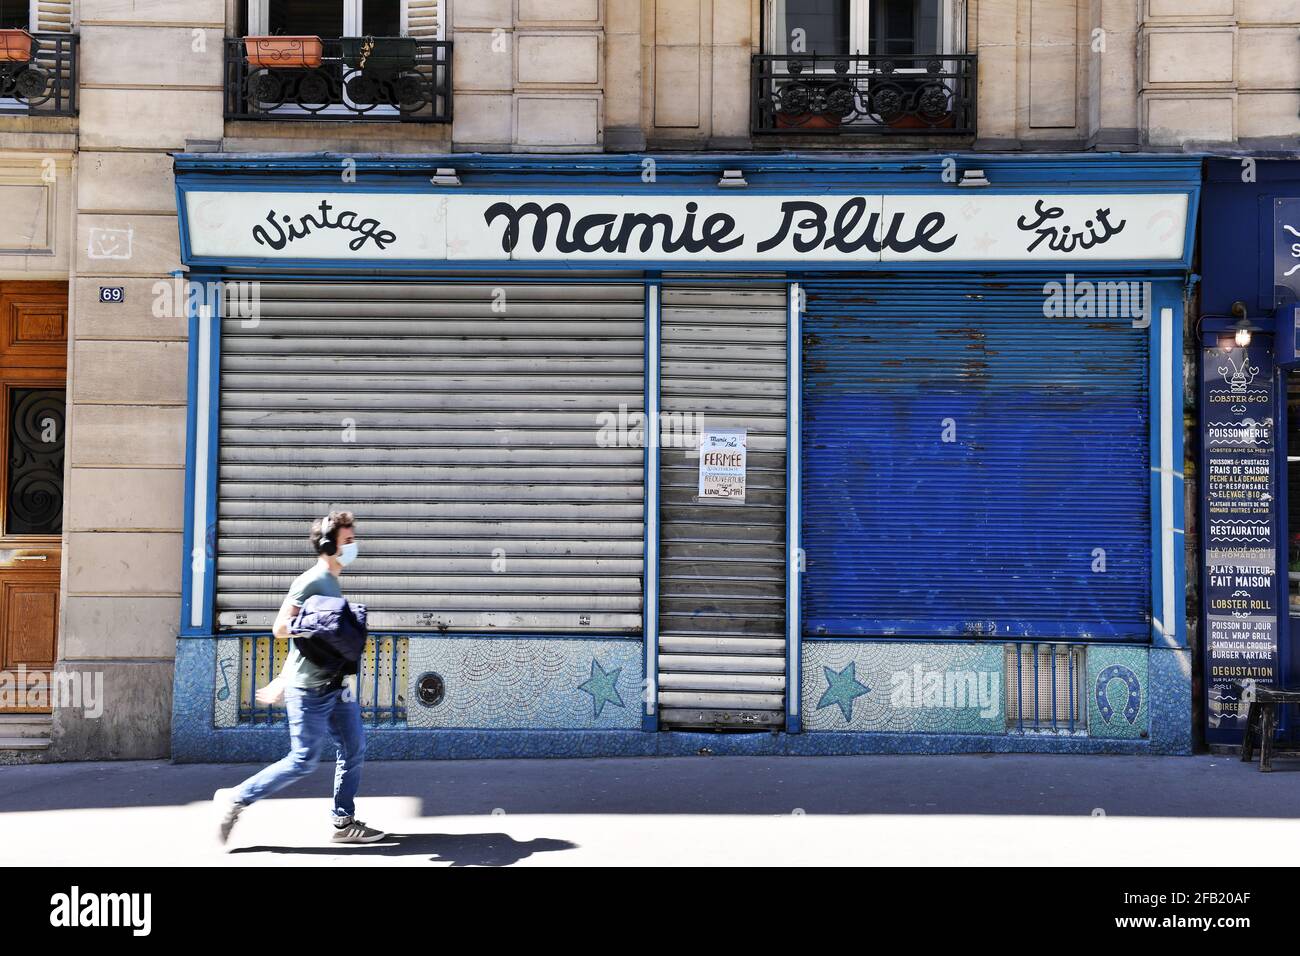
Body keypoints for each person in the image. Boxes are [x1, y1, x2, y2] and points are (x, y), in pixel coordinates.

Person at [214, 511, 386, 846]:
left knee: (354, 748)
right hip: (309, 691)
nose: (353, 546)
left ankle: (342, 821)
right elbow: (280, 629)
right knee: (303, 760)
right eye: (347, 541)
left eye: (353, 540)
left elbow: (312, 642)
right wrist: (288, 677)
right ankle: (237, 798)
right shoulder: (311, 580)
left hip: (335, 686)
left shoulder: (332, 582)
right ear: (328, 545)